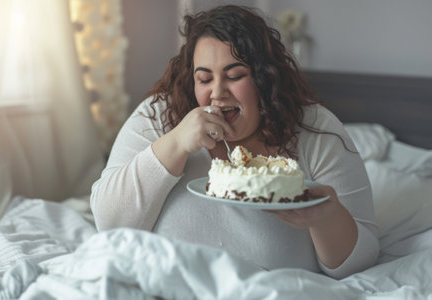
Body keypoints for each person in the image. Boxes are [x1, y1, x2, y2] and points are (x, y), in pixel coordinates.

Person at [90, 5, 379, 279]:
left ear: (266, 79)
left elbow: (358, 264)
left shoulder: (314, 128)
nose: (217, 92)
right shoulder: (160, 115)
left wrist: (327, 218)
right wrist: (175, 144)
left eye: (235, 76)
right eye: (204, 79)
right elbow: (108, 225)